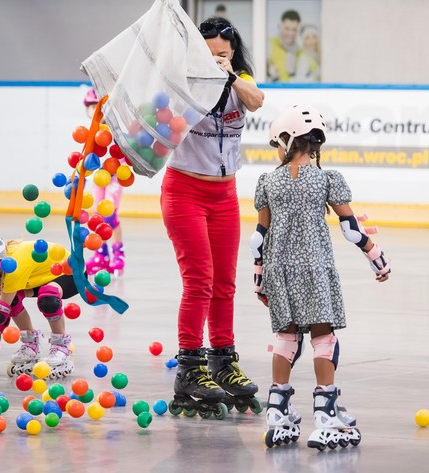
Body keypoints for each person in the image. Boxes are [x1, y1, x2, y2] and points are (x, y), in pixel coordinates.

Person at [257, 105, 389, 449]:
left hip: (277, 267)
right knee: (323, 335)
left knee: (285, 336)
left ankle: (277, 411)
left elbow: (260, 234)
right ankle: (325, 412)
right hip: (315, 266)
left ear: (287, 141)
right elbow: (351, 228)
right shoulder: (327, 179)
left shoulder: (268, 181)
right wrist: (377, 258)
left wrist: (259, 276)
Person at [162, 17, 264, 419]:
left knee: (224, 282)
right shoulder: (182, 85)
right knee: (199, 280)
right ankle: (190, 366)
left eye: (222, 53)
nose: (216, 59)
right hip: (184, 191)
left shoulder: (240, 84)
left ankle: (223, 361)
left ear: (232, 53)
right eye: (208, 54)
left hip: (224, 195)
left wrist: (228, 77)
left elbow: (256, 100)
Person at [0, 230, 75, 378]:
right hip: (39, 278)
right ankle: (31, 345)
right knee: (11, 301)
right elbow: (0, 312)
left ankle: (61, 346)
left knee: (48, 298)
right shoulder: (4, 265)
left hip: (68, 273)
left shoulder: (14, 269)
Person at [83, 88, 126, 277]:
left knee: (110, 216)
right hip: (99, 177)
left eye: (97, 106)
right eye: (91, 107)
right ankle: (101, 253)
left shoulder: (115, 128)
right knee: (97, 217)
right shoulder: (92, 130)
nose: (94, 111)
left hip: (115, 177)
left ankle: (118, 252)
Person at [268, 10, 302, 83]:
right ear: (280, 26)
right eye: (287, 28)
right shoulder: (269, 45)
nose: (290, 33)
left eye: (294, 30)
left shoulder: (300, 52)